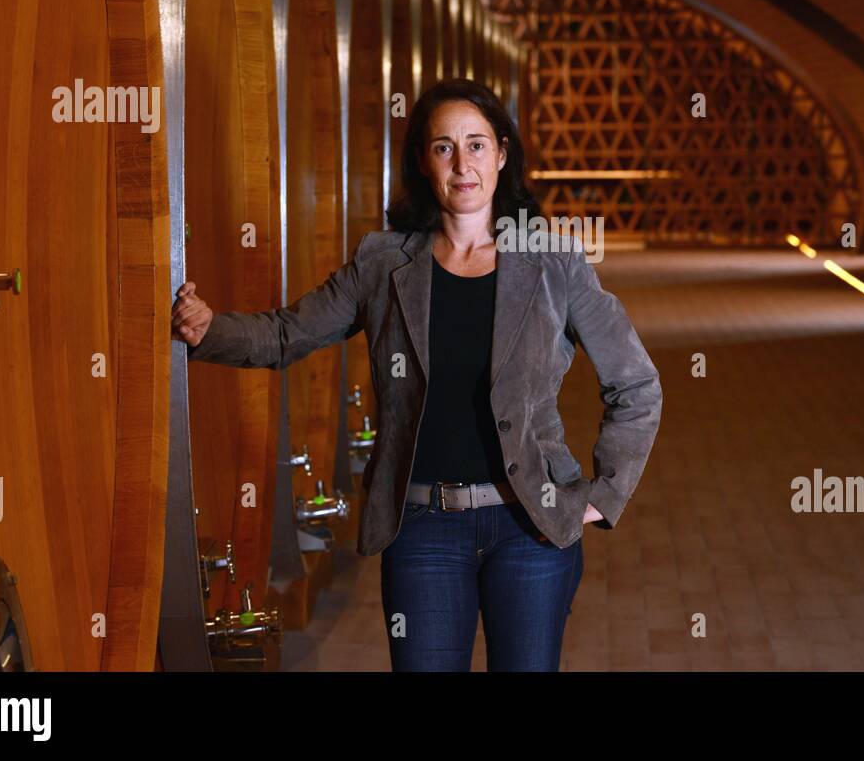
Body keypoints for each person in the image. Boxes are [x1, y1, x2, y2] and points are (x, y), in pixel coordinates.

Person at [171, 78, 662, 671]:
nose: (463, 165)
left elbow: (635, 384)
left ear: (503, 155)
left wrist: (601, 496)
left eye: (477, 145)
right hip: (424, 527)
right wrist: (207, 330)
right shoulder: (384, 262)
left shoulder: (554, 263)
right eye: (443, 147)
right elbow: (285, 333)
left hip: (530, 524)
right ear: (423, 163)